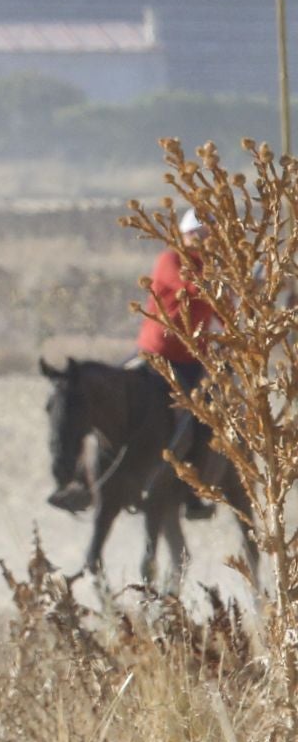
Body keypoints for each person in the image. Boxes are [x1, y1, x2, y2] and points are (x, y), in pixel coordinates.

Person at [138, 208, 219, 515]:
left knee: (205, 420)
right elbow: (194, 288)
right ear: (185, 236)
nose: (202, 241)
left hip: (191, 356)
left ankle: (191, 493)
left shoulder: (212, 268)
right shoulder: (171, 260)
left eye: (208, 235)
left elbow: (222, 309)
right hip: (160, 350)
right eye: (197, 235)